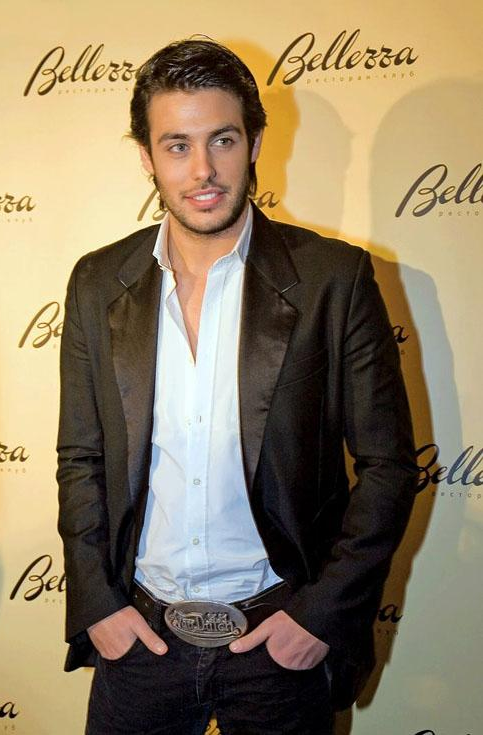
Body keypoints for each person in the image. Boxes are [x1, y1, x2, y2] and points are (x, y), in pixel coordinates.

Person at [57, 38, 418, 735]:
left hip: (277, 639)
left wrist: (320, 616)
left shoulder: (333, 279)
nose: (202, 170)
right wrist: (98, 604)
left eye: (222, 139)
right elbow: (81, 458)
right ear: (147, 156)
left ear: (254, 142)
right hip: (140, 638)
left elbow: (388, 466)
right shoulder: (96, 283)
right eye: (177, 145)